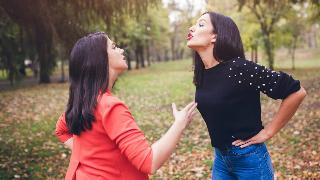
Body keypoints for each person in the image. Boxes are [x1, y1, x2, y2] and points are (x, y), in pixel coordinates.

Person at [55, 32, 197, 180]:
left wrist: (92, 159)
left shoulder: (84, 101)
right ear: (100, 59)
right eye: (114, 47)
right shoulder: (110, 107)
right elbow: (150, 162)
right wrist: (179, 124)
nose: (121, 50)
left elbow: (61, 130)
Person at [187, 12, 307, 179]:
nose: (191, 28)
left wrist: (268, 132)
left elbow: (297, 91)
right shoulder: (203, 74)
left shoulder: (240, 69)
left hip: (250, 159)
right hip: (221, 159)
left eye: (200, 24)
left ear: (215, 36)